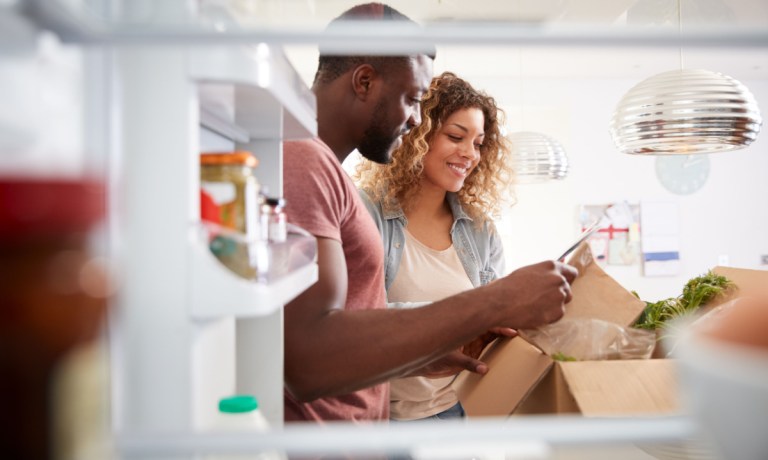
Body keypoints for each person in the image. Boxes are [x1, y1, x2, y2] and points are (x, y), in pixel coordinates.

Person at [282, 2, 578, 423]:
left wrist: (423, 355)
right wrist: (497, 300)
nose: (416, 120)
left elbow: (343, 337)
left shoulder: (320, 167)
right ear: (364, 81)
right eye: (411, 99)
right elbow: (308, 360)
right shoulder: (303, 161)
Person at [354, 71, 514, 421]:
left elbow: (491, 328)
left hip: (457, 413)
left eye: (478, 142)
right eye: (456, 136)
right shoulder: (365, 213)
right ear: (415, 136)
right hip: (383, 419)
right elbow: (354, 322)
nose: (470, 154)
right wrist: (454, 321)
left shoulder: (480, 230)